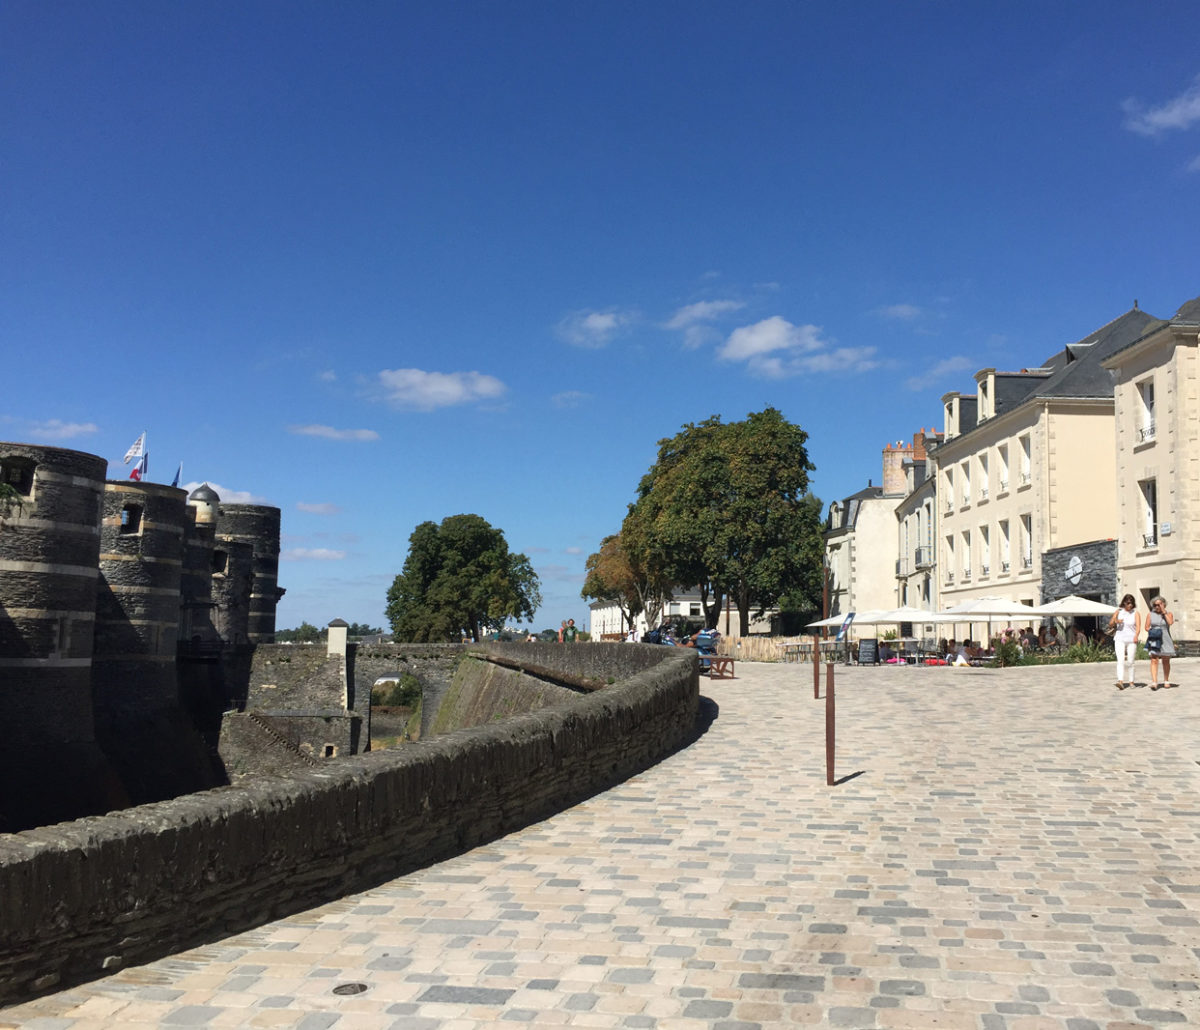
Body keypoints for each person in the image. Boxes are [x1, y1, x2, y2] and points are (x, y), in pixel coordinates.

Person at [1107, 593, 1140, 689]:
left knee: (1130, 661)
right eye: (1128, 603)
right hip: (1119, 638)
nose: (1129, 605)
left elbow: (1138, 626)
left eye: (1131, 603)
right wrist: (1116, 621)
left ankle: (1131, 682)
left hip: (1131, 639)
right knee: (1120, 660)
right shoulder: (1118, 611)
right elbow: (1110, 624)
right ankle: (1120, 681)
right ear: (1124, 603)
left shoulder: (1135, 613)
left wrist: (1136, 636)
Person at [1144, 595, 1176, 690]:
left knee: (1166, 660)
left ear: (1163, 604)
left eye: (1159, 604)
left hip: (1166, 638)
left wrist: (1163, 612)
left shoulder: (1169, 613)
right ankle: (1154, 682)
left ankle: (1166, 680)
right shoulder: (1150, 614)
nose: (1157, 606)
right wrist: (1153, 631)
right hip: (1154, 638)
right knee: (1154, 659)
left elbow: (1170, 622)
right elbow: (1146, 627)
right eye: (1155, 605)